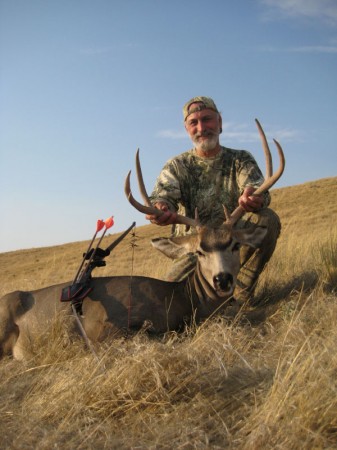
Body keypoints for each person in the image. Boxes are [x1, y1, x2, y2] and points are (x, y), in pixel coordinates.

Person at [146, 96, 281, 303]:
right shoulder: (177, 165)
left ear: (219, 123)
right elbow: (164, 195)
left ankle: (242, 294)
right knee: (172, 301)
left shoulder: (240, 159)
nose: (201, 127)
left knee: (267, 220)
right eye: (194, 122)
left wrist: (253, 196)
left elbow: (256, 188)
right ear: (187, 129)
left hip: (231, 240)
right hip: (196, 246)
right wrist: (161, 207)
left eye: (207, 119)